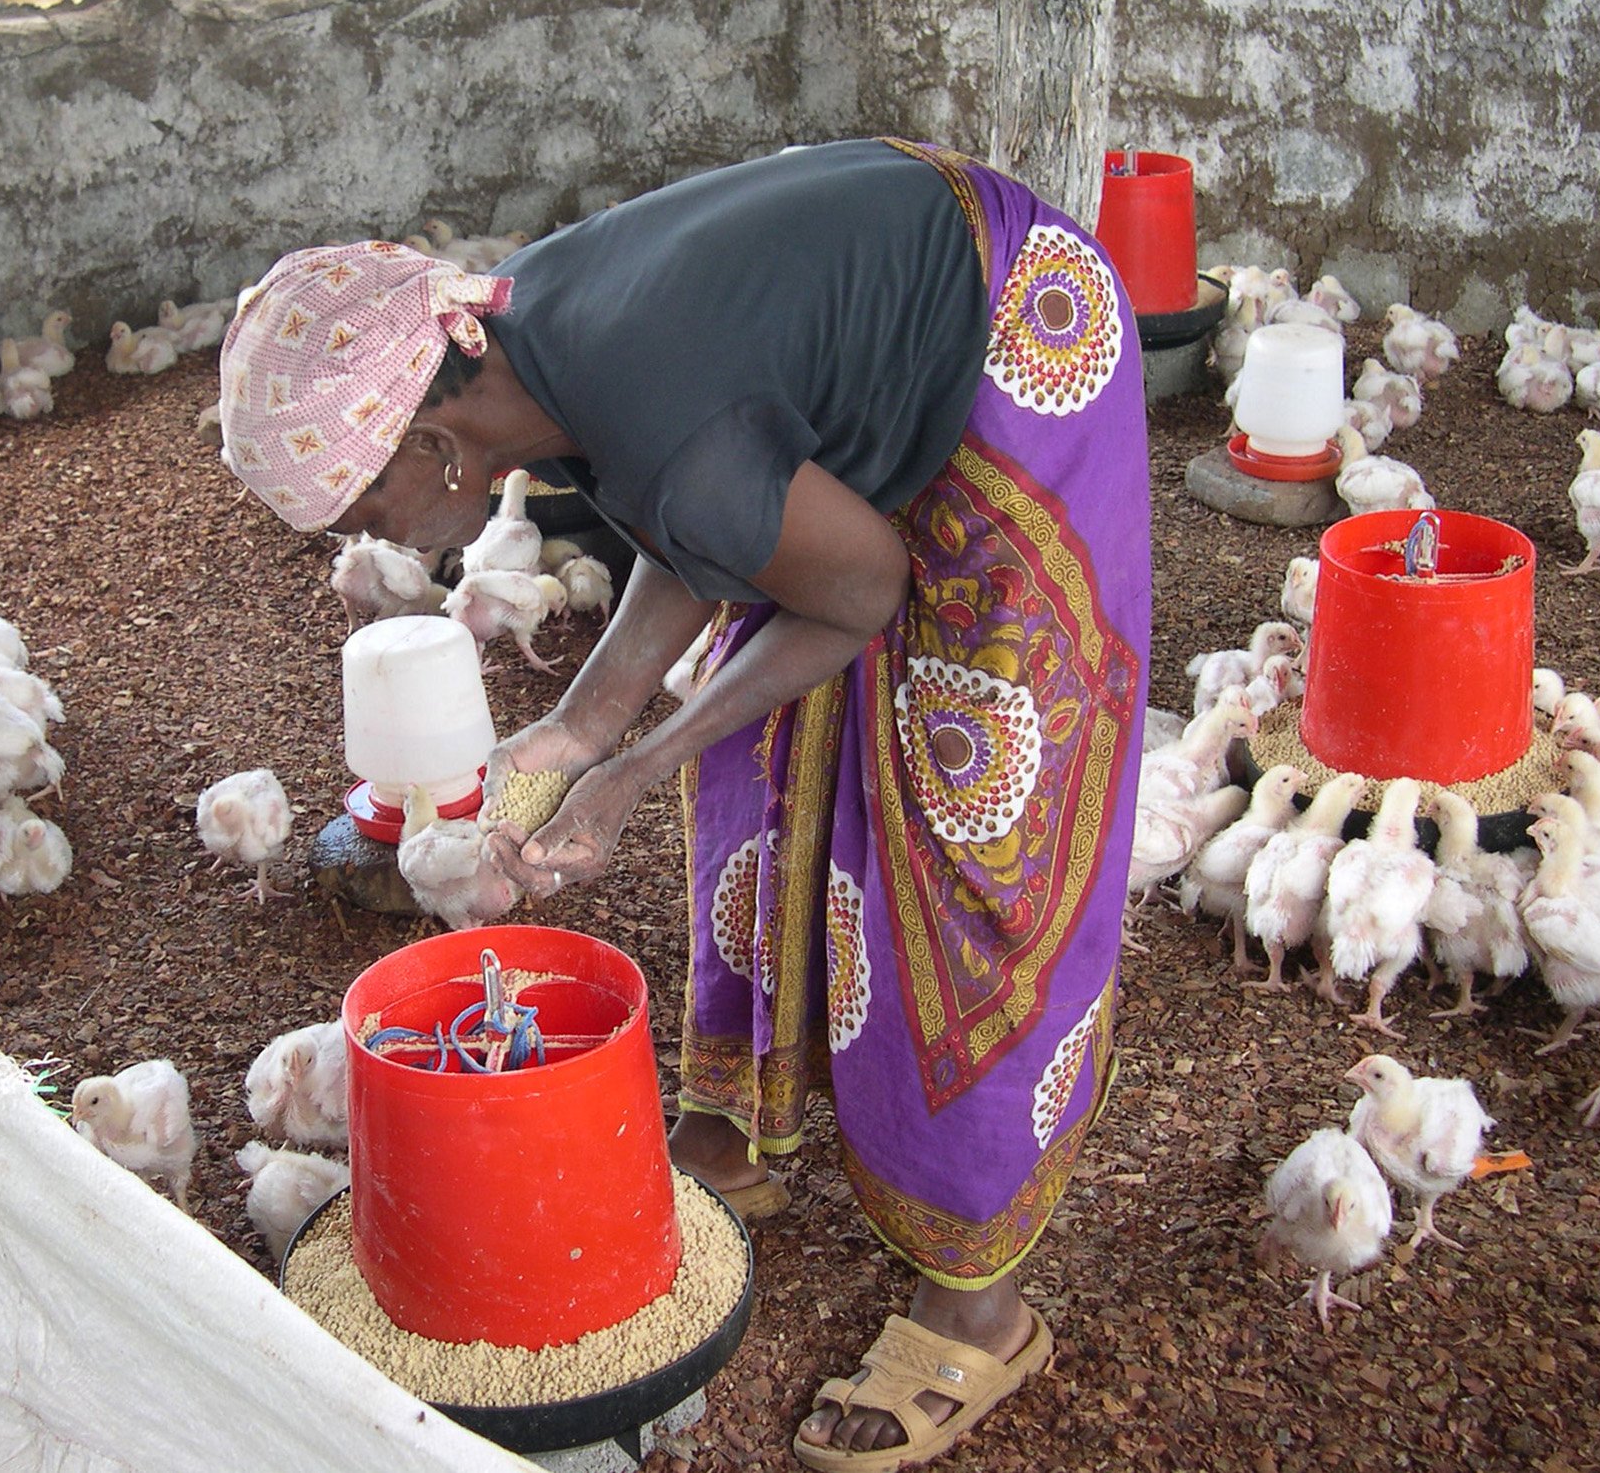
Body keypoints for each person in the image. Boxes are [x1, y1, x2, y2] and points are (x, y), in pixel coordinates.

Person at [218, 138, 1149, 1471]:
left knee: (979, 800)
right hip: (845, 321)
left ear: (436, 442)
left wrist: (630, 766)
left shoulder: (663, 417)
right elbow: (692, 506)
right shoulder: (520, 344)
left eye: (362, 504)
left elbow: (846, 582)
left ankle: (981, 1304)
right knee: (760, 748)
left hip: (1011, 331)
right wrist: (584, 723)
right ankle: (737, 1125)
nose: (369, 539)